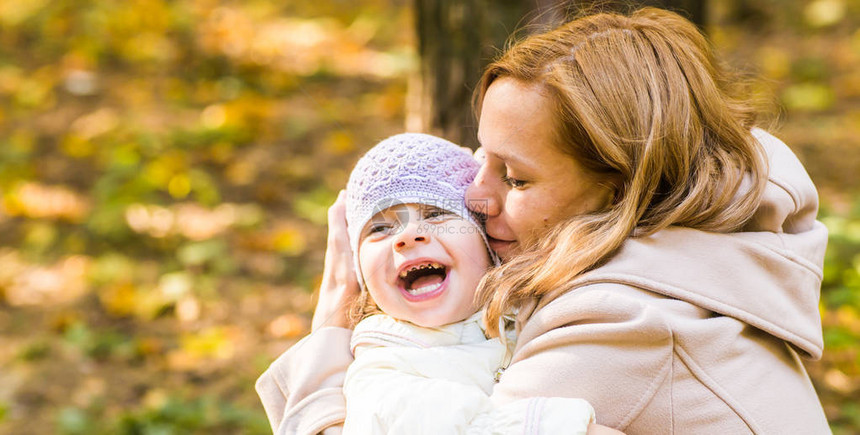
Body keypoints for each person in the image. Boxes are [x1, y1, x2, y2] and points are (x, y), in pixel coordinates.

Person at [257, 7, 831, 434]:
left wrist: (331, 325)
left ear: (619, 187)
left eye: (516, 178)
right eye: (483, 155)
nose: (475, 196)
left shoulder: (622, 323)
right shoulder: (687, 255)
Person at [335, 132, 596, 434]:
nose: (407, 236)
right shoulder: (383, 365)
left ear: (488, 245)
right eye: (380, 228)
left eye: (436, 213)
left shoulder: (529, 307)